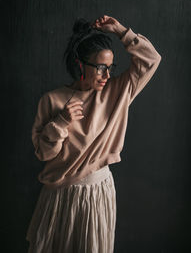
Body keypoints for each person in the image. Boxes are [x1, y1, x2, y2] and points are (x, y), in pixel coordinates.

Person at [26, 15, 162, 253]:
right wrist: (61, 122)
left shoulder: (117, 93)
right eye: (100, 68)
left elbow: (151, 59)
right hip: (60, 196)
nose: (107, 75)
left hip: (97, 192)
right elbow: (45, 154)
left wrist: (121, 31)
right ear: (80, 65)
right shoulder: (52, 100)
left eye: (110, 68)